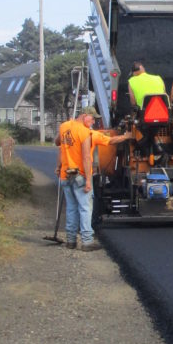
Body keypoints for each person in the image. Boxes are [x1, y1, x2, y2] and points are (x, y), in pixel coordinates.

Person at [55, 107, 132, 250]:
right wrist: (89, 181)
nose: (94, 122)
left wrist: (59, 166)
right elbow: (88, 155)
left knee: (71, 208)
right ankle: (87, 241)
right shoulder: (87, 133)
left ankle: (71, 241)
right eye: (92, 118)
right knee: (85, 208)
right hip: (80, 176)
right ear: (85, 116)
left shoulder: (64, 126)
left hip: (65, 175)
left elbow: (59, 144)